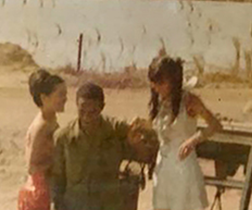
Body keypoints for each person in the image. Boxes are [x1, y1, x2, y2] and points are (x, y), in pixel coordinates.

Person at [52, 81, 155, 210]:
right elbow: (57, 181)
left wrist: (136, 143)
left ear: (102, 108)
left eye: (93, 111)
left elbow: (146, 156)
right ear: (76, 105)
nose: (87, 116)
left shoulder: (114, 133)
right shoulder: (64, 138)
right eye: (82, 110)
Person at [149, 55, 222, 210]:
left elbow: (215, 125)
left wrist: (193, 140)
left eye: (161, 83)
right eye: (155, 83)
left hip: (182, 166)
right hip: (163, 165)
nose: (156, 88)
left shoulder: (189, 100)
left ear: (173, 81)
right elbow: (160, 129)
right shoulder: (160, 102)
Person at [19, 69, 67, 210]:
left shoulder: (47, 120)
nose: (65, 99)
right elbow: (33, 163)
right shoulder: (44, 126)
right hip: (39, 191)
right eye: (60, 95)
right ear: (44, 98)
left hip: (34, 186)